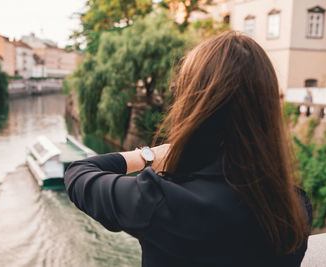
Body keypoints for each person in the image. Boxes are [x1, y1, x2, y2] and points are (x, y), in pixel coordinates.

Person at [64, 31, 312, 267]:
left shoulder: (163, 202)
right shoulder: (295, 207)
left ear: (195, 105)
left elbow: (79, 174)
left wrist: (147, 156)